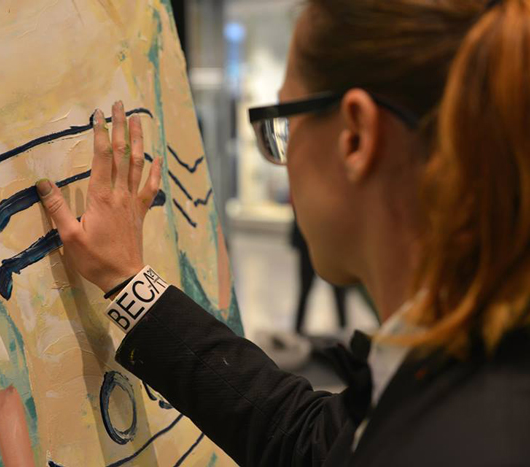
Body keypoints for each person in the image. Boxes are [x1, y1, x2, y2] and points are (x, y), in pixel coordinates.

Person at [34, 0, 530, 465]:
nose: (283, 161)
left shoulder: (446, 439)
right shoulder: (471, 366)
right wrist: (128, 282)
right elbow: (308, 438)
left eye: (283, 124)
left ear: (356, 138)